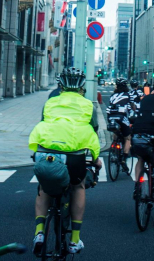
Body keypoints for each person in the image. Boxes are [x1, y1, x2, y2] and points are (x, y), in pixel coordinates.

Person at [29, 68, 101, 256]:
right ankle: (75, 240)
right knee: (78, 187)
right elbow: (93, 130)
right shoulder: (87, 106)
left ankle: (39, 233)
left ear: (60, 86)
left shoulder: (50, 103)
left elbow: (44, 123)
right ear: (82, 88)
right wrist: (96, 159)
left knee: (43, 188)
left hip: (46, 153)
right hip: (73, 156)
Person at [106, 77, 132, 172]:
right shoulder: (128, 95)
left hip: (111, 117)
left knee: (115, 132)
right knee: (127, 137)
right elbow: (131, 107)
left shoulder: (113, 96)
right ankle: (124, 159)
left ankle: (114, 150)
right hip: (122, 117)